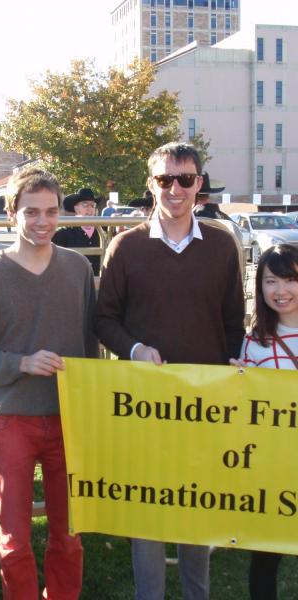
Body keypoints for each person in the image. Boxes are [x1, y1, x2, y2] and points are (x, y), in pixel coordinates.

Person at [94, 142, 245, 600]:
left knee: (198, 508)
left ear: (199, 184)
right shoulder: (125, 247)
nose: (175, 189)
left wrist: (236, 361)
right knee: (149, 514)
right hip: (143, 406)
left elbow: (234, 320)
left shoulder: (222, 244)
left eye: (185, 179)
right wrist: (135, 348)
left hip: (206, 406)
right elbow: (103, 320)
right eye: (165, 179)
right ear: (150, 184)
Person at [0, 167, 96, 600]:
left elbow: (91, 347)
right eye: (31, 212)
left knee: (69, 535)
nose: (43, 222)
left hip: (68, 420)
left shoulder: (78, 270)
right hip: (10, 420)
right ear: (11, 213)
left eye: (51, 212)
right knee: (14, 540)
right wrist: (22, 363)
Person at [230, 244, 298, 600]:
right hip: (273, 470)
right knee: (266, 557)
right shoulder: (254, 344)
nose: (280, 291)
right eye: (271, 281)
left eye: (289, 279)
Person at [52, 187, 100, 275]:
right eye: (85, 205)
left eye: (92, 205)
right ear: (76, 208)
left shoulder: (101, 232)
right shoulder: (63, 233)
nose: (90, 209)